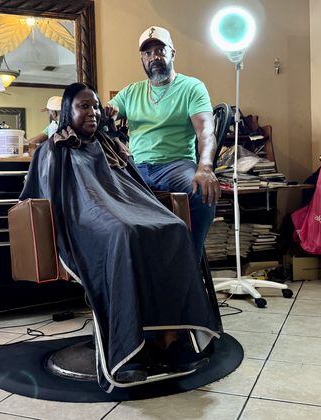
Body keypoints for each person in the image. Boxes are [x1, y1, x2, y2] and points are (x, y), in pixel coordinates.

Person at [20, 82, 219, 392]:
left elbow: (134, 189)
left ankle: (170, 339)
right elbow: (52, 197)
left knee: (173, 228)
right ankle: (128, 354)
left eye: (96, 107)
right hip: (84, 220)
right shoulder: (53, 148)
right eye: (83, 106)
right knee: (123, 233)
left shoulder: (110, 146)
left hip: (122, 211)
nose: (92, 112)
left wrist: (138, 210)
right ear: (66, 113)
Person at [106, 26, 221, 262]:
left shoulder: (191, 87)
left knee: (201, 193)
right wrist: (106, 112)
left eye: (160, 50)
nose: (154, 57)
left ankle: (190, 266)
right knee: (100, 196)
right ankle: (130, 271)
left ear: (172, 53)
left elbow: (206, 131)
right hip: (136, 169)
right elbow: (108, 113)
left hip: (176, 166)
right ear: (142, 59)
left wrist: (205, 166)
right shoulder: (131, 92)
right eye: (147, 53)